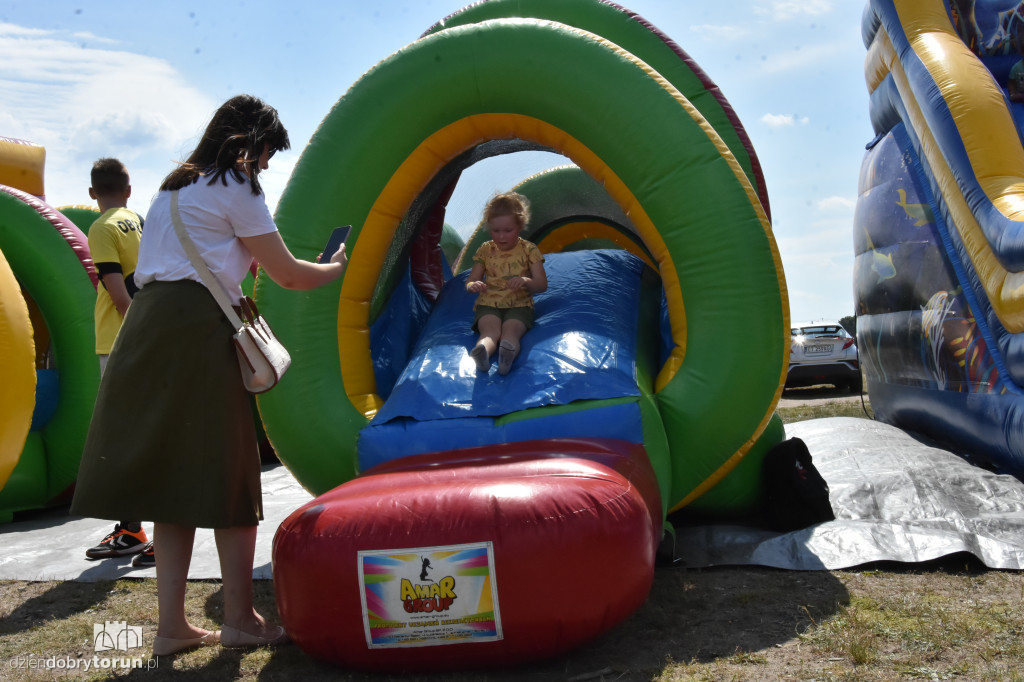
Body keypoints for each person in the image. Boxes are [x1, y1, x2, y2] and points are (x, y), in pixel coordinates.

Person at [70, 95, 348, 657]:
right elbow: (290, 275)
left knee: (174, 480)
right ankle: (241, 619)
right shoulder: (237, 183)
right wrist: (336, 264)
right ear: (252, 141)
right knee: (231, 470)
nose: (267, 165)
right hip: (198, 330)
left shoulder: (171, 186)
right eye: (267, 152)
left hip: (148, 328)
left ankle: (172, 627)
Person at [81, 158, 154, 568]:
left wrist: (136, 335)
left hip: (120, 341)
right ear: (128, 189)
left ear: (93, 193)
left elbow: (117, 293)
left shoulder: (102, 227)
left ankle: (135, 531)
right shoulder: (139, 221)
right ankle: (138, 528)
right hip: (143, 337)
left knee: (126, 437)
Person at [465, 192, 547, 376]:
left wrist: (526, 281)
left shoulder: (529, 250)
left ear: (520, 226)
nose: (501, 237)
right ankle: (482, 353)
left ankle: (506, 355)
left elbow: (542, 284)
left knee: (511, 330)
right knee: (489, 331)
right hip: (489, 303)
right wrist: (473, 286)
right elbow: (471, 280)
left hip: (519, 305)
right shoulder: (486, 250)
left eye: (508, 230)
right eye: (496, 231)